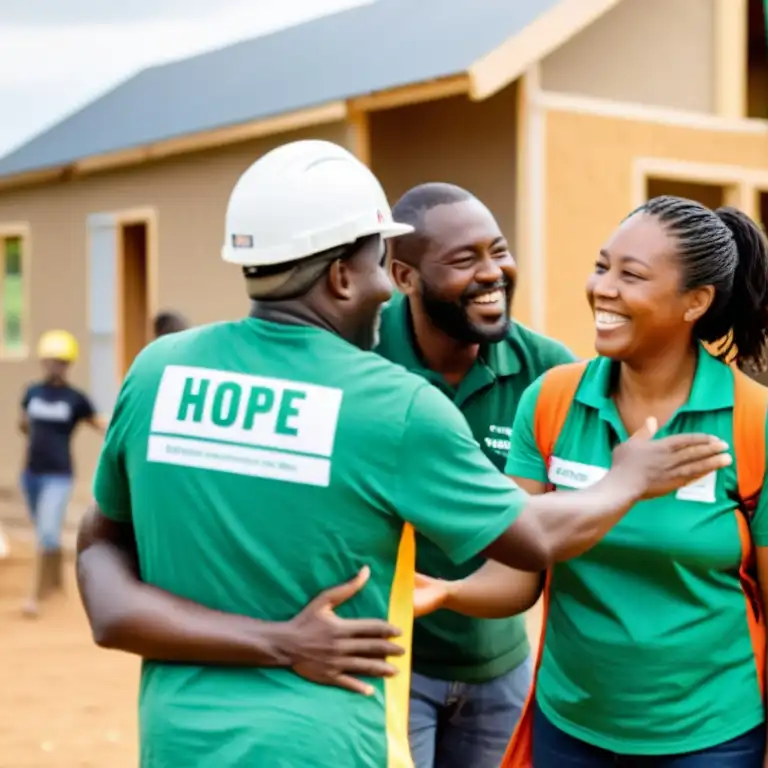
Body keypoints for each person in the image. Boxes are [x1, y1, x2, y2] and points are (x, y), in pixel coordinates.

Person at [76, 142, 730, 768]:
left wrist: (271, 641)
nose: (385, 291)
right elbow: (530, 538)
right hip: (330, 741)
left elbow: (104, 584)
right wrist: (625, 480)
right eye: (374, 266)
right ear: (340, 275)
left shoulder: (159, 370)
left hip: (178, 742)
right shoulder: (391, 404)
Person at [416, 196, 768, 768]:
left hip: (712, 740)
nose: (603, 289)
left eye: (630, 275)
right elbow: (519, 577)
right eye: (601, 266)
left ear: (696, 302)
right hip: (569, 731)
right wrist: (448, 592)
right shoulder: (553, 403)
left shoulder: (761, 426)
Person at [380, 183, 575, 768]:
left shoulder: (549, 372)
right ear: (404, 276)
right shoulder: (361, 359)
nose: (493, 273)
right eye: (465, 260)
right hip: (391, 661)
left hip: (501, 669)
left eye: (499, 250)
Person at [18, 329, 104, 617]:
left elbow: (98, 423)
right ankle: (55, 586)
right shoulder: (32, 392)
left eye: (62, 361)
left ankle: (35, 598)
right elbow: (23, 424)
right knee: (46, 534)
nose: (57, 365)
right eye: (52, 360)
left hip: (59, 475)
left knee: (46, 533)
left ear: (69, 364)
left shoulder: (75, 399)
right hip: (31, 474)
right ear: (44, 361)